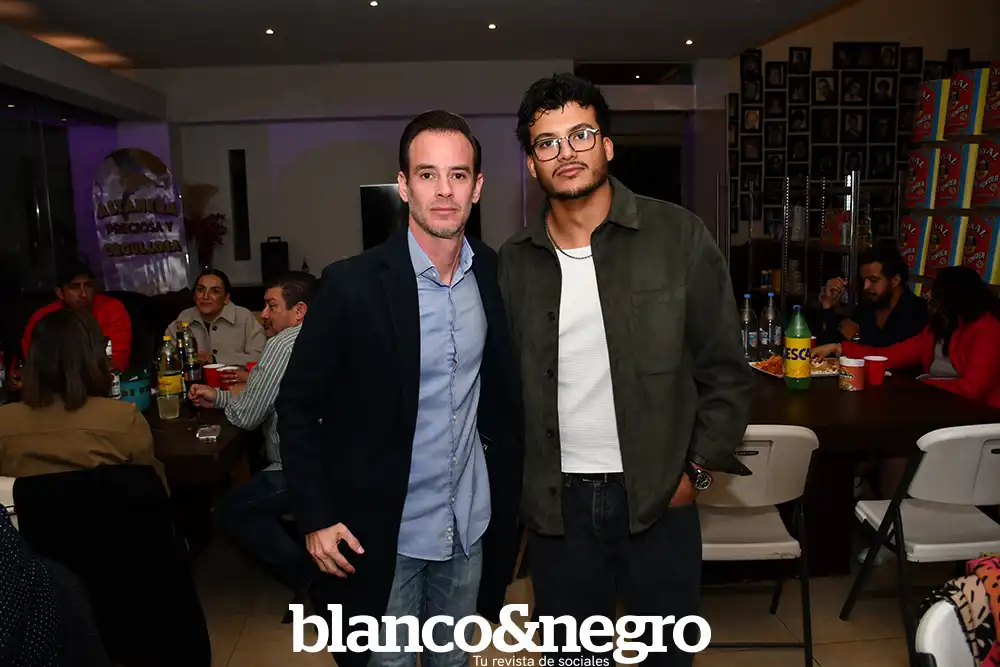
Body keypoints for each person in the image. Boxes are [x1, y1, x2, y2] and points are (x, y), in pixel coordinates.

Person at [498, 73, 753, 665]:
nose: (566, 152)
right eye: (547, 142)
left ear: (607, 146)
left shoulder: (679, 236)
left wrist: (694, 472)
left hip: (659, 496)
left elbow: (725, 369)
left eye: (581, 134)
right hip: (557, 506)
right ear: (532, 164)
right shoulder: (514, 262)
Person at [276, 111, 523, 667]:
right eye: (428, 174)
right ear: (404, 185)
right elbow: (297, 407)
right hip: (381, 533)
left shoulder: (494, 274)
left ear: (478, 187)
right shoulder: (350, 285)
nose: (444, 190)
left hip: (468, 527)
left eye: (458, 175)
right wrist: (315, 515)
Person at [813, 266, 1000, 500]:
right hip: (941, 411)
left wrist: (923, 384)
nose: (928, 295)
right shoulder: (939, 327)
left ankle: (888, 510)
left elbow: (971, 390)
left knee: (896, 445)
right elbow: (892, 355)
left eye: (934, 291)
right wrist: (839, 348)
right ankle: (868, 498)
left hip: (978, 422)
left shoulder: (988, 330)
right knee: (883, 440)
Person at [187, 271, 317, 602]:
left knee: (233, 508)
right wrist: (220, 398)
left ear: (299, 311)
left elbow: (248, 415)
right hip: (343, 461)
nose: (264, 315)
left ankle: (311, 581)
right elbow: (264, 398)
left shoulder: (283, 343)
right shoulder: (324, 333)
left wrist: (225, 403)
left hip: (307, 469)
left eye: (272, 306)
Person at [0, 309, 167, 492]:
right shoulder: (125, 419)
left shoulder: (4, 422)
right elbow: (156, 494)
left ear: (33, 358)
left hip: (28, 512)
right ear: (95, 357)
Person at [21, 261, 131, 372]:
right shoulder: (43, 317)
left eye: (88, 286)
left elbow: (116, 362)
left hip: (100, 379)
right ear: (60, 293)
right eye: (75, 287)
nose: (84, 294)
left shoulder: (111, 308)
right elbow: (31, 363)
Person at [815, 246, 928, 347]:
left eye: (873, 280)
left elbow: (897, 353)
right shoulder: (867, 305)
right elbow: (828, 349)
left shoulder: (917, 311)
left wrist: (857, 337)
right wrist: (828, 304)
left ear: (895, 280)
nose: (866, 287)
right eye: (863, 280)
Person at [165, 269, 265, 369]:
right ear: (194, 296)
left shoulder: (244, 317)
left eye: (215, 291)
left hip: (236, 378)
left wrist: (216, 359)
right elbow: (167, 358)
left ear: (226, 298)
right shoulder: (184, 318)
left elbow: (260, 358)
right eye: (200, 290)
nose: (205, 296)